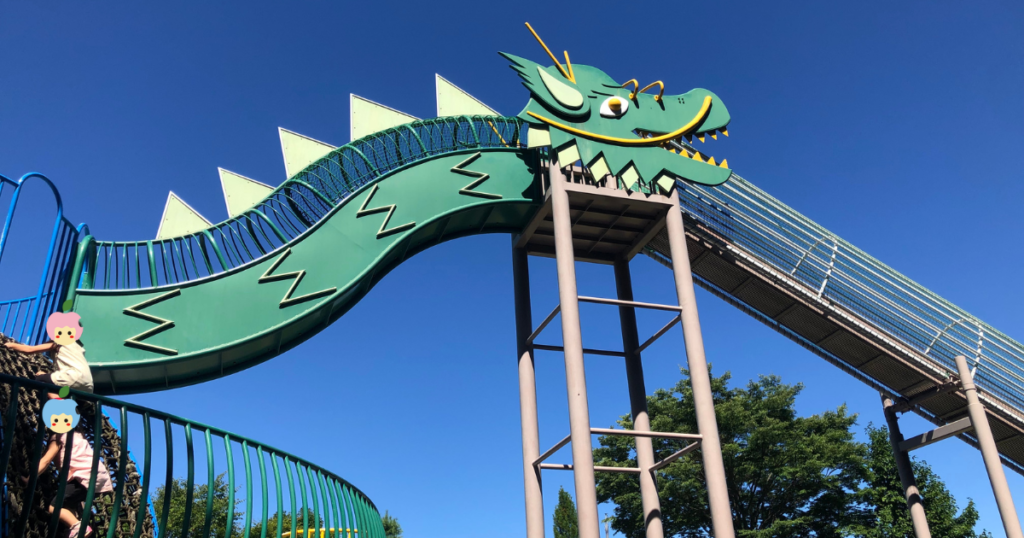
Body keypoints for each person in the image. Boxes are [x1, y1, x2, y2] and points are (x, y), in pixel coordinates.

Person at [31, 396, 112, 538]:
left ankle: (79, 527)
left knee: (53, 507)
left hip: (83, 477)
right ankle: (74, 528)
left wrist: (30, 478)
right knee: (68, 504)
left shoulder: (58, 437)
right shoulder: (77, 435)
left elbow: (45, 461)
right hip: (97, 477)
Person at [3, 312, 93, 398]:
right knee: (64, 393)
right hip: (88, 386)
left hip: (72, 377)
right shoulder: (78, 346)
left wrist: (10, 345)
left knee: (40, 380)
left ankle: (60, 405)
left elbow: (30, 350)